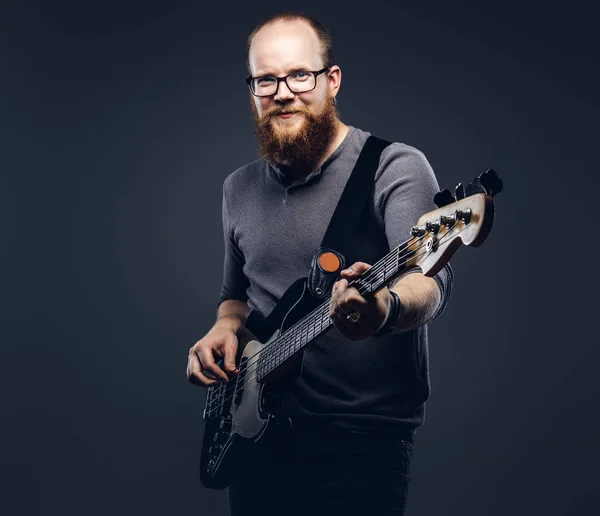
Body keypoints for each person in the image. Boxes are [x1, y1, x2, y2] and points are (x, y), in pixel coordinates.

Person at [187, 11, 453, 516]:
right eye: (266, 79)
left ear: (331, 81)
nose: (282, 92)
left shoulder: (393, 166)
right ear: (253, 90)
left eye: (299, 75)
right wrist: (222, 329)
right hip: (256, 437)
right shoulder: (237, 188)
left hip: (360, 442)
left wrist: (387, 308)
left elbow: (429, 281)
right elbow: (235, 299)